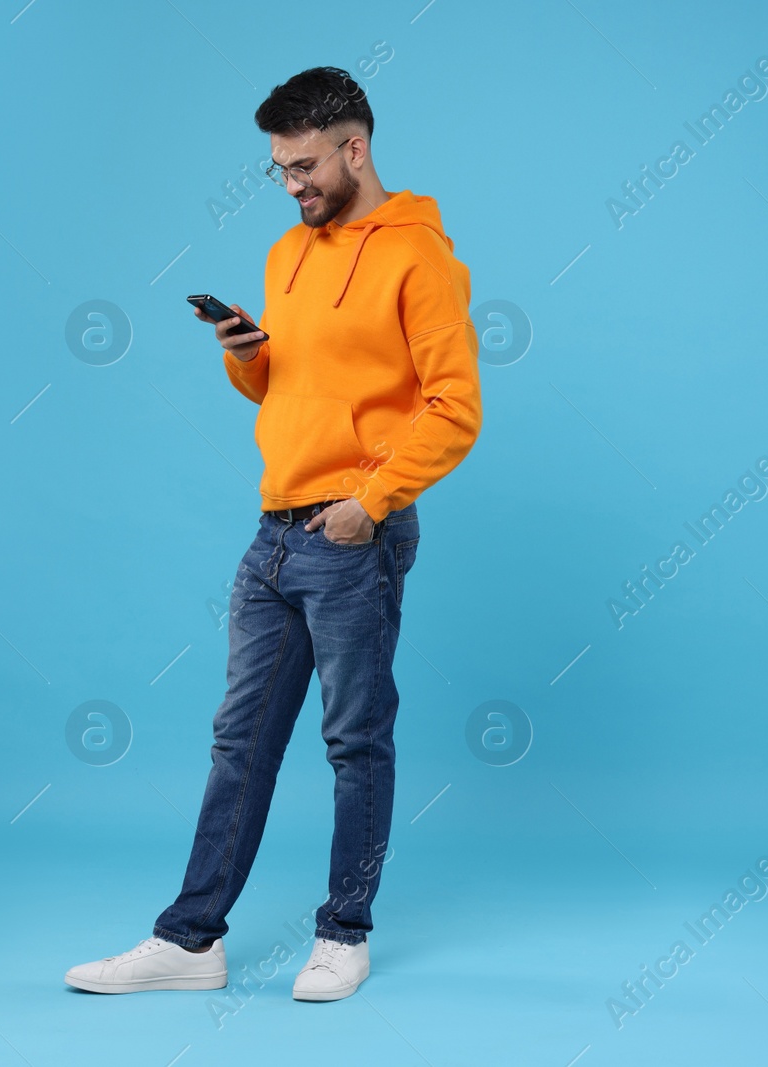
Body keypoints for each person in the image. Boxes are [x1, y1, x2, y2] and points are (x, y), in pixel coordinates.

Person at [64, 66, 481, 1002]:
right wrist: (246, 355)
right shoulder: (287, 252)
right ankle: (191, 940)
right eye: (279, 170)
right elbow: (283, 388)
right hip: (274, 533)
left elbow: (456, 409)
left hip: (350, 534)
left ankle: (345, 932)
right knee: (238, 743)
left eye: (303, 166)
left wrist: (370, 503)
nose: (292, 184)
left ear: (355, 148)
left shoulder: (422, 258)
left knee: (353, 741)